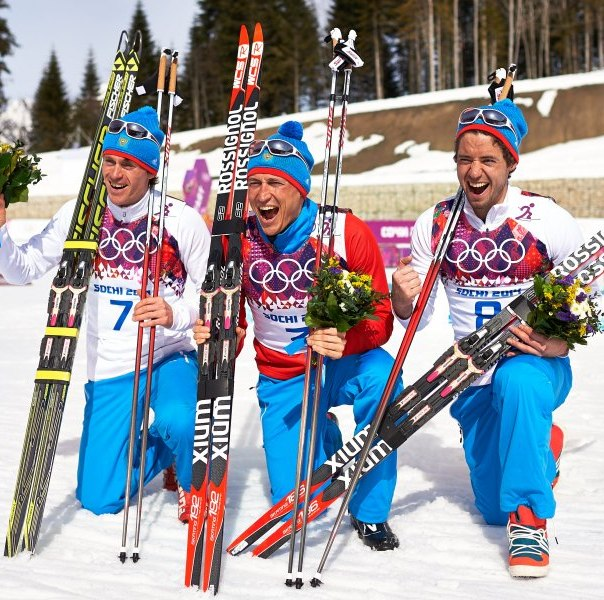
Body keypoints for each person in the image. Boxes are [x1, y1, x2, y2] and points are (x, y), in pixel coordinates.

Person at [391, 98, 583, 577]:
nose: (474, 171)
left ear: (510, 164)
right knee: (490, 508)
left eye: (487, 160)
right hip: (468, 376)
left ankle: (530, 524)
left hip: (535, 365)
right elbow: (418, 313)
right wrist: (400, 297)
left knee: (515, 384)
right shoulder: (435, 224)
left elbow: (594, 292)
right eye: (465, 159)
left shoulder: (546, 219)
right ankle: (542, 448)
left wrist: (561, 342)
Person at [194, 120, 403, 550]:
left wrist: (349, 340)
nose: (262, 195)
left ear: (301, 189)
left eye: (276, 183)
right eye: (255, 182)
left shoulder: (345, 233)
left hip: (342, 364)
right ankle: (322, 434)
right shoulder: (237, 239)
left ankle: (369, 512)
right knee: (293, 505)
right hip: (284, 377)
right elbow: (232, 322)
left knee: (383, 378)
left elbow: (381, 316)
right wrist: (219, 336)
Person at [0, 106, 210, 522]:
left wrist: (175, 312)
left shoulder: (180, 220)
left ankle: (192, 481)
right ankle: (163, 449)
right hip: (111, 366)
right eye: (110, 162)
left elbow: (208, 295)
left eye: (128, 165)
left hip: (168, 353)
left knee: (180, 418)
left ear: (150, 171)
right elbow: (20, 270)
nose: (115, 174)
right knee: (99, 497)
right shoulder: (81, 215)